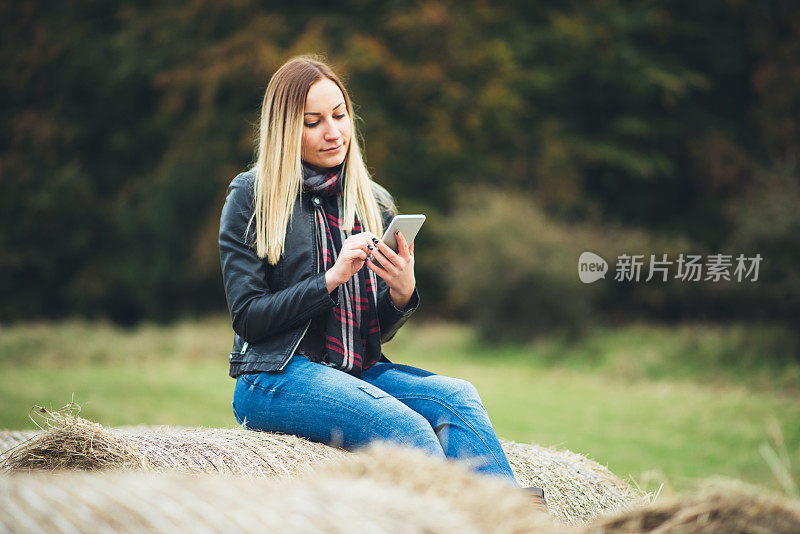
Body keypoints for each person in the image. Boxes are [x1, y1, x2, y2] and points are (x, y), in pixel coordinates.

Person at [218, 55, 546, 507]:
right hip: (274, 377)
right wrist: (330, 279)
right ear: (286, 128)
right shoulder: (252, 195)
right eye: (313, 122)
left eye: (339, 115)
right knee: (405, 428)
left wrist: (401, 292)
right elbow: (249, 320)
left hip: (359, 371)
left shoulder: (373, 200)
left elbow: (372, 333)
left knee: (457, 397)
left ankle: (509, 518)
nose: (334, 132)